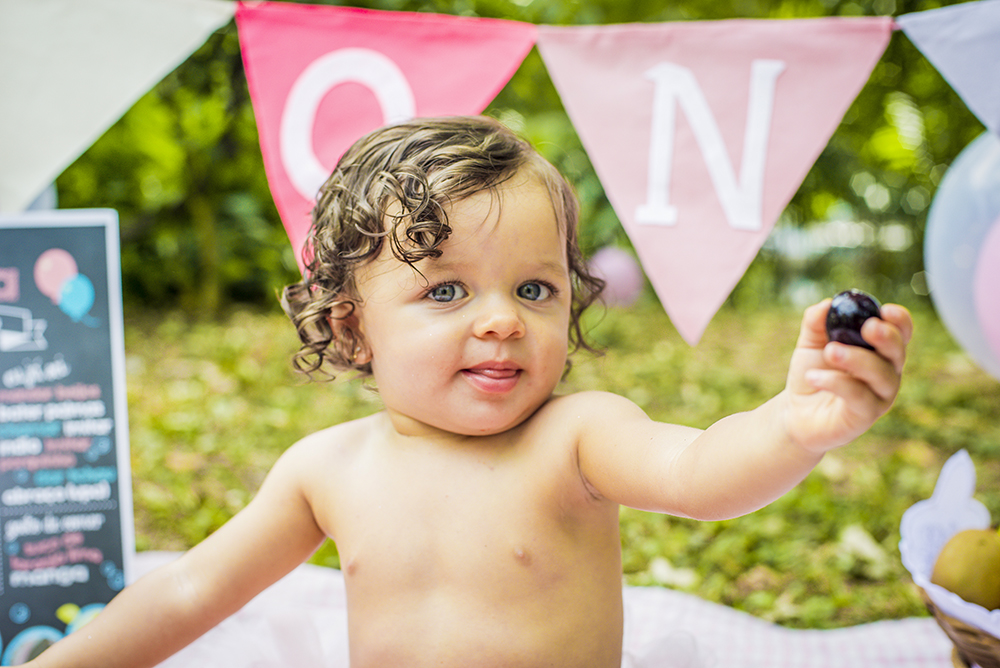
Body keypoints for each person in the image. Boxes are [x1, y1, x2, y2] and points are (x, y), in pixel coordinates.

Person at [28, 115, 912, 668]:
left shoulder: (576, 436)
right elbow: (188, 594)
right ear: (350, 326)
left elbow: (701, 472)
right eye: (446, 291)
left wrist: (797, 425)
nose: (501, 321)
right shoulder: (326, 469)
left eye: (535, 289)